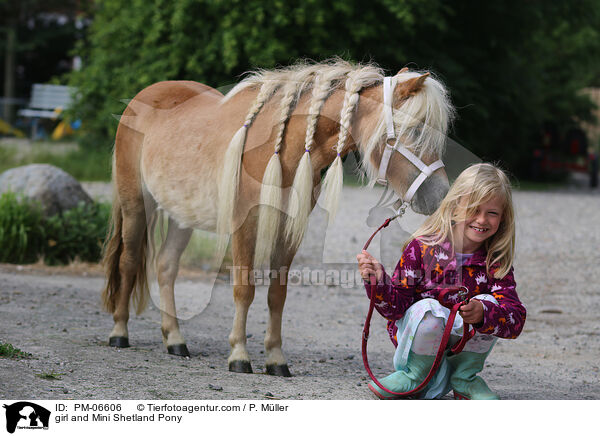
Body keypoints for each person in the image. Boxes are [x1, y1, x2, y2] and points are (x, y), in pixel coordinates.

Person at [357, 163, 526, 400]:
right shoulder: (422, 248)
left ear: (503, 218)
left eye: (492, 213)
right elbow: (395, 308)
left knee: (489, 302)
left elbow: (515, 320)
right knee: (431, 311)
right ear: (455, 205)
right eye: (473, 208)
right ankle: (414, 376)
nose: (481, 219)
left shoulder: (494, 261)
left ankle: (464, 379)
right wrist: (377, 281)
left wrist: (483, 313)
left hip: (458, 346)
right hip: (419, 344)